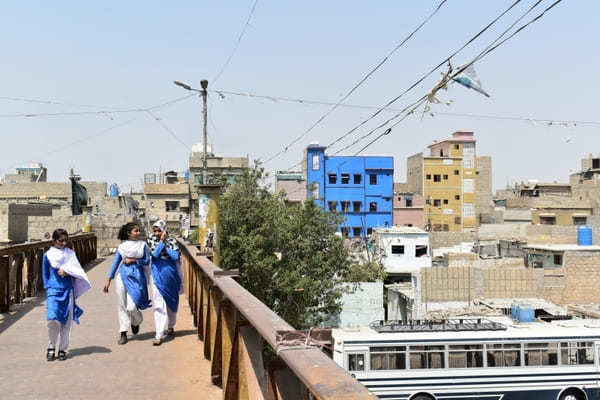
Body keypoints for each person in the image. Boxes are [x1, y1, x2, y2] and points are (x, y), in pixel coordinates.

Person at [43, 229, 91, 361]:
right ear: (54, 241)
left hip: (67, 290)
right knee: (52, 319)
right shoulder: (47, 255)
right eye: (60, 240)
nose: (64, 243)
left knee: (67, 321)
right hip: (53, 290)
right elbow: (45, 273)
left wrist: (67, 272)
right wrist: (48, 288)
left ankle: (63, 348)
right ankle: (51, 346)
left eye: (66, 240)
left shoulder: (70, 254)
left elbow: (78, 271)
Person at [103, 222, 151, 345]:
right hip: (122, 275)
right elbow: (115, 262)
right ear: (129, 233)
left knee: (132, 306)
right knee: (121, 303)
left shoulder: (143, 245)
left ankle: (136, 320)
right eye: (136, 231)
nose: (138, 233)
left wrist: (134, 260)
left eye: (139, 230)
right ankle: (123, 332)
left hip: (137, 276)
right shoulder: (122, 247)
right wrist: (109, 279)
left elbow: (146, 260)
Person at [148, 220, 183, 346]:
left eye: (159, 230)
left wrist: (165, 246)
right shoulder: (151, 240)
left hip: (171, 275)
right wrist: (161, 242)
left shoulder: (172, 240)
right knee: (158, 304)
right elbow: (155, 254)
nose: (157, 233)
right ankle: (158, 334)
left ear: (164, 230)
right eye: (155, 231)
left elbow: (175, 256)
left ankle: (171, 325)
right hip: (157, 275)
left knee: (172, 303)